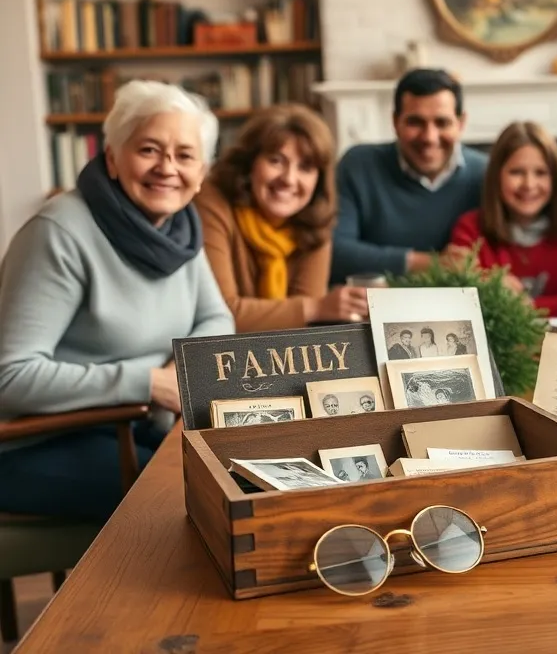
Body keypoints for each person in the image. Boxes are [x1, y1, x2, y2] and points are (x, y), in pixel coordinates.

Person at [0, 80, 234, 520]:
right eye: (148, 149)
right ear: (112, 158)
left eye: (184, 155)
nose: (167, 167)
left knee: (243, 474)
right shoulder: (60, 232)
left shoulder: (180, 230)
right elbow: (10, 377)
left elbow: (217, 319)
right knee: (191, 499)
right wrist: (147, 382)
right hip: (35, 443)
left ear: (202, 173)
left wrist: (178, 371)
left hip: (132, 428)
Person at [196, 104, 368, 333]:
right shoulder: (212, 201)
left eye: (305, 168)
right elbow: (221, 315)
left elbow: (304, 332)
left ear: (318, 179)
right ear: (249, 164)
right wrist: (316, 307)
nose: (289, 179)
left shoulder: (315, 220)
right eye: (276, 161)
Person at [330, 69, 488, 283]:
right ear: (395, 122)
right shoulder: (358, 164)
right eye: (415, 122)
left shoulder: (486, 173)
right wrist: (431, 263)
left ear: (461, 123)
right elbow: (335, 251)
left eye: (442, 123)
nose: (429, 137)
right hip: (373, 305)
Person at [450, 121, 557, 318]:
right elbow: (463, 295)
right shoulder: (470, 228)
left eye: (541, 173)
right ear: (496, 177)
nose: (529, 184)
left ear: (556, 179)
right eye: (516, 172)